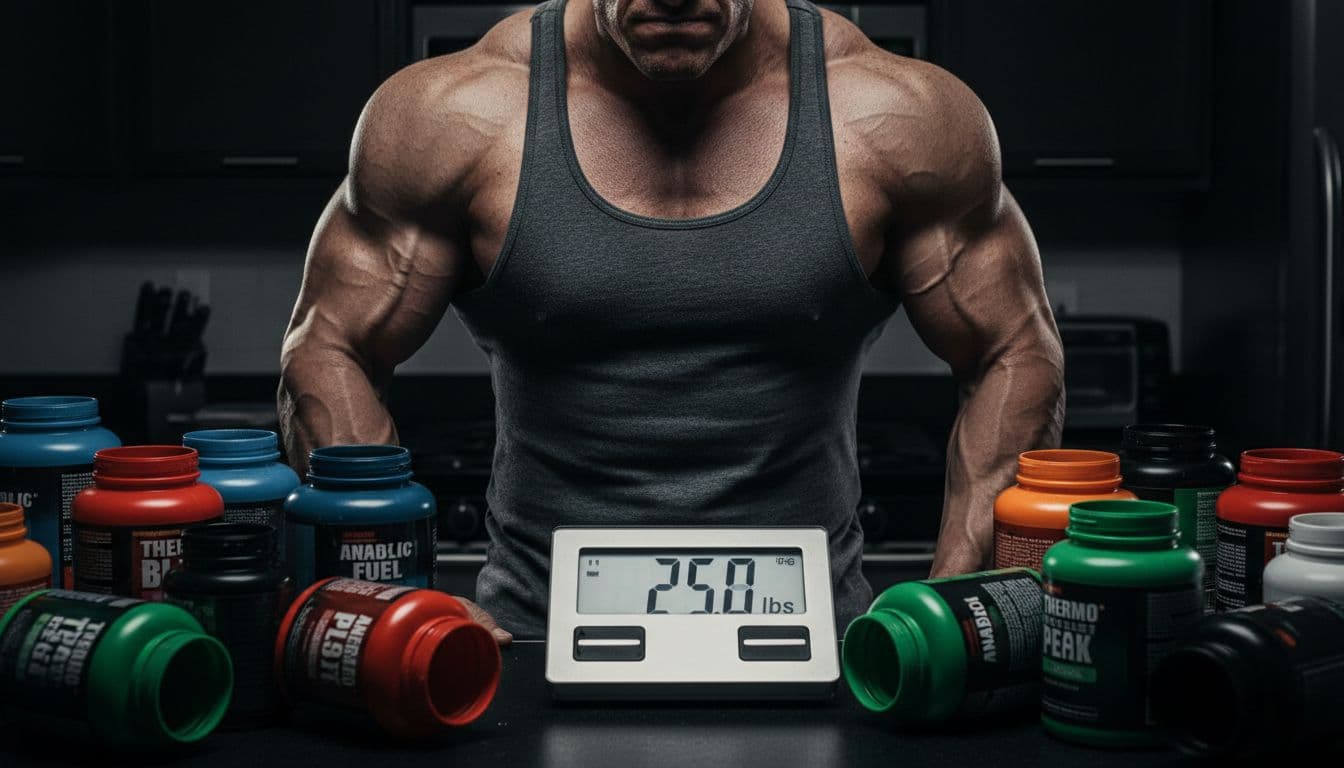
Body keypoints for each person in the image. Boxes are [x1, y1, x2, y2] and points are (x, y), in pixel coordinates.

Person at [278, 0, 1064, 642]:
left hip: (817, 639)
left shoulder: (895, 112)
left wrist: (958, 605)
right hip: (526, 642)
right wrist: (393, 604)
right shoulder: (458, 113)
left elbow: (1015, 351)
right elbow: (330, 346)